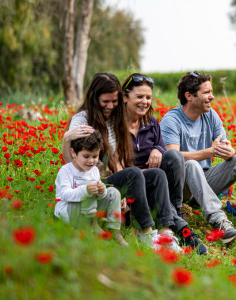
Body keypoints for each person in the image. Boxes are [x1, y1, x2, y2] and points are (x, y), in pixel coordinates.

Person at [61, 72, 182, 251]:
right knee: (133, 173)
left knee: (156, 174)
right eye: (105, 101)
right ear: (95, 98)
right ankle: (146, 234)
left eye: (114, 101)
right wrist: (66, 139)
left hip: (106, 180)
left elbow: (115, 158)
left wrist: (123, 187)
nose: (110, 106)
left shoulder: (112, 122)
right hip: (89, 185)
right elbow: (72, 162)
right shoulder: (82, 120)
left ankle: (165, 234)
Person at [160, 71, 236, 244]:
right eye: (206, 93)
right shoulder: (172, 120)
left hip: (205, 180)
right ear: (189, 96)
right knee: (191, 165)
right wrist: (210, 152)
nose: (212, 97)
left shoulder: (210, 115)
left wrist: (228, 151)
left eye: (211, 92)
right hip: (181, 188)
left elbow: (226, 146)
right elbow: (173, 157)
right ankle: (219, 221)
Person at [122, 72, 207, 254]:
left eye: (148, 97)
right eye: (139, 97)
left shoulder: (151, 123)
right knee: (155, 175)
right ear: (124, 97)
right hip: (132, 181)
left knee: (174, 156)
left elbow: (162, 145)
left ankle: (173, 212)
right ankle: (178, 227)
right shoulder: (116, 125)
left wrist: (157, 149)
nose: (144, 101)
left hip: (154, 181)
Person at [54, 131, 128, 246]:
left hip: (90, 210)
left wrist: (101, 191)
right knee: (84, 195)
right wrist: (85, 190)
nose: (91, 161)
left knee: (113, 192)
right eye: (86, 156)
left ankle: (114, 231)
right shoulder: (66, 171)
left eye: (95, 156)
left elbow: (98, 197)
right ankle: (91, 226)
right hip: (69, 210)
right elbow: (65, 195)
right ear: (73, 153)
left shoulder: (93, 171)